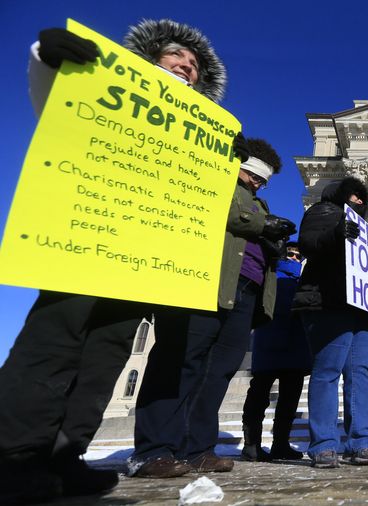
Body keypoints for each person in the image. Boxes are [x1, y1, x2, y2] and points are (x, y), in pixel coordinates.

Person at [0, 18, 226, 504]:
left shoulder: (193, 128)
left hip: (139, 256)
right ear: (151, 60)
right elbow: (60, 110)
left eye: (192, 66)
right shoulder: (111, 88)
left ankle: (65, 455)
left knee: (106, 356)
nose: (186, 67)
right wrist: (47, 58)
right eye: (176, 59)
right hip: (84, 238)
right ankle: (14, 455)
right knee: (54, 342)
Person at [129, 137, 296, 478]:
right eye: (254, 174)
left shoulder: (257, 204)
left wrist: (274, 240)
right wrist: (264, 225)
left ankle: (197, 448)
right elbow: (228, 214)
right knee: (180, 363)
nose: (258, 182)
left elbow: (253, 227)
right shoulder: (212, 185)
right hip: (206, 284)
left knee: (217, 372)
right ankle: (153, 449)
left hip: (245, 293)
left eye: (263, 180)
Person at [293, 177, 368, 468]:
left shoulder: (362, 227)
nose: (359, 200)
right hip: (329, 302)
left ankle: (360, 442)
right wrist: (336, 234)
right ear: (340, 195)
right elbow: (308, 243)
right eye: (353, 195)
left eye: (361, 197)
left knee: (360, 375)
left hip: (360, 310)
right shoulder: (324, 212)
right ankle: (324, 444)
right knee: (328, 371)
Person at [241, 242, 311, 462]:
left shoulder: (297, 277)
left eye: (297, 255)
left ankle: (276, 443)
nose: (293, 258)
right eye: (290, 254)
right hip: (273, 339)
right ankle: (255, 443)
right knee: (261, 395)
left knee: (287, 398)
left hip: (290, 341)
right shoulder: (273, 273)